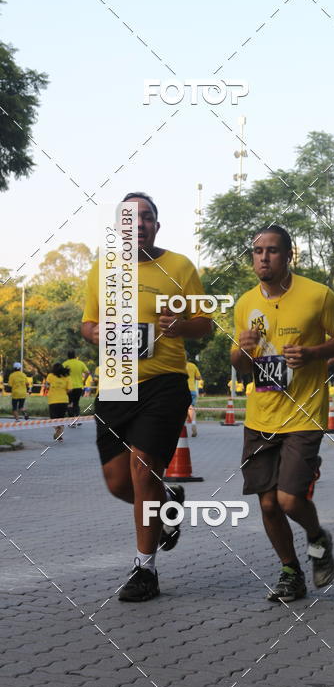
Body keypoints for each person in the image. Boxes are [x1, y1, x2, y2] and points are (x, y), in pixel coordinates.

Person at [81, 192, 213, 602]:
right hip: (116, 383)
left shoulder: (179, 267)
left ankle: (145, 570)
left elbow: (205, 324)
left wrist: (181, 326)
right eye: (129, 219)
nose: (138, 224)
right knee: (120, 482)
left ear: (157, 225)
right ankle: (169, 501)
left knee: (142, 470)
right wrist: (97, 334)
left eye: (147, 218)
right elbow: (87, 324)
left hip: (163, 382)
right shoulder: (102, 269)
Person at [231, 225, 334, 604]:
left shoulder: (318, 295)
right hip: (260, 416)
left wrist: (315, 353)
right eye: (257, 250)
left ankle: (317, 536)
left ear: (289, 255)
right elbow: (238, 365)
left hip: (303, 416)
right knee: (267, 503)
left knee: (288, 500)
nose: (263, 257)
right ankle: (290, 571)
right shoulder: (245, 304)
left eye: (272, 250)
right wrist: (244, 351)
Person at [44, 363, 72, 442]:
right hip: (64, 400)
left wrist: (51, 388)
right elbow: (70, 389)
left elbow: (46, 386)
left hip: (53, 400)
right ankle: (60, 436)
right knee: (61, 419)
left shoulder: (50, 376)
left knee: (53, 419)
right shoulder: (67, 377)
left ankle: (57, 429)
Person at [62, 350, 89, 426]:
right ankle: (77, 419)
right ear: (75, 355)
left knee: (69, 403)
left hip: (68, 387)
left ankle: (71, 421)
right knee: (76, 403)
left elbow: (61, 373)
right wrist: (84, 381)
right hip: (79, 387)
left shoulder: (65, 364)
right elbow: (87, 372)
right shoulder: (80, 363)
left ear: (68, 356)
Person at [185, 358, 202, 438]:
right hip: (191, 390)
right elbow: (198, 377)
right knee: (191, 408)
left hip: (180, 390)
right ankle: (193, 423)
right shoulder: (193, 365)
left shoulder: (178, 364)